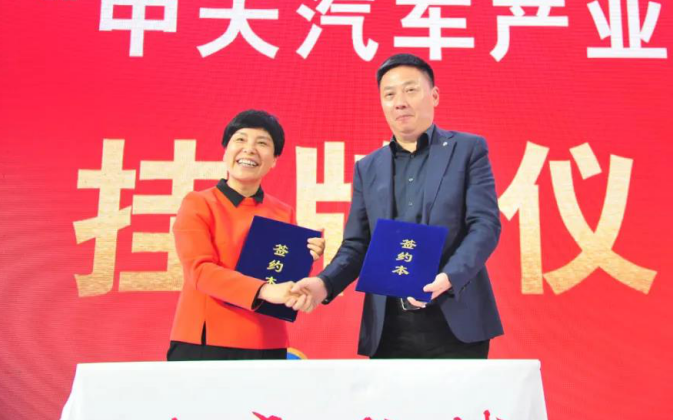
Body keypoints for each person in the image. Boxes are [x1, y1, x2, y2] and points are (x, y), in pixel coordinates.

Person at [293, 54, 503, 359]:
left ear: (434, 96)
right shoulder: (368, 167)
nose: (400, 102)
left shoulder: (467, 149)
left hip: (455, 316)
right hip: (389, 326)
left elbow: (485, 226)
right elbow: (357, 245)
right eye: (389, 94)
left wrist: (448, 278)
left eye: (410, 90)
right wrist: (324, 284)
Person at [167, 109, 323, 361]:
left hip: (267, 340)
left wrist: (305, 261)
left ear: (274, 160)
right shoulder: (198, 203)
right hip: (207, 341)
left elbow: (282, 279)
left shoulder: (283, 212)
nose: (249, 149)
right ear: (226, 151)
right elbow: (200, 271)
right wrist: (264, 289)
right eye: (240, 139)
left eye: (262, 143)